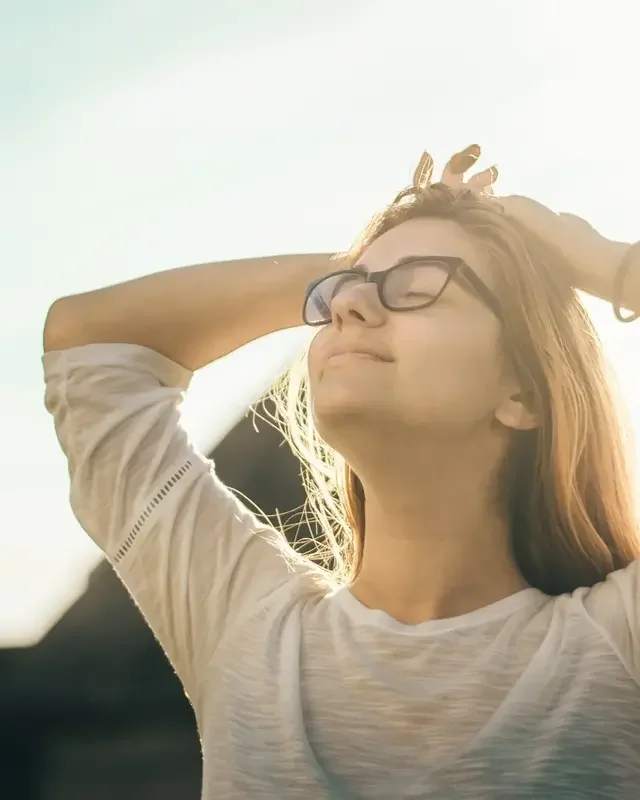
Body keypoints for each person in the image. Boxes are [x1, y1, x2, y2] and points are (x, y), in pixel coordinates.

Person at [43, 144, 640, 798]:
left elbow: (94, 351)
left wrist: (604, 261)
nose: (350, 308)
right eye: (335, 299)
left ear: (524, 391)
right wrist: (356, 264)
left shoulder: (617, 643)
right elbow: (89, 343)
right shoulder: (245, 624)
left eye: (418, 288)